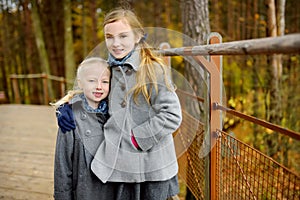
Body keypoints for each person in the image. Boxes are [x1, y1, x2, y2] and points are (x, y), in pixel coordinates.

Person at [56, 8, 182, 200]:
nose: (116, 43)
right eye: (109, 37)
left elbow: (172, 115)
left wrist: (137, 138)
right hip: (122, 167)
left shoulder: (152, 69)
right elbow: (93, 91)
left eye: (123, 36)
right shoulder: (108, 69)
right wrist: (69, 106)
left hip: (153, 167)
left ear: (138, 36)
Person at [52, 57, 112, 199]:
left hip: (112, 189)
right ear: (80, 83)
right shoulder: (70, 118)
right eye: (92, 81)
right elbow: (62, 163)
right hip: (84, 191)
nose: (99, 86)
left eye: (104, 81)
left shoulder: (114, 113)